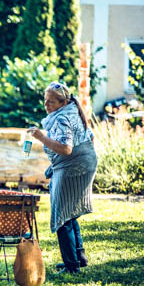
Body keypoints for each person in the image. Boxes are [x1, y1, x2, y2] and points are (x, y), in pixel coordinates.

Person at [27, 82, 98, 274]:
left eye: (51, 102)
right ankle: (78, 258)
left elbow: (66, 149)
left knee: (62, 215)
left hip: (72, 168)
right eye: (45, 101)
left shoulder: (62, 118)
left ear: (63, 102)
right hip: (84, 164)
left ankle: (71, 265)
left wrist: (41, 138)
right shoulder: (73, 111)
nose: (46, 105)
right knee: (70, 212)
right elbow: (90, 137)